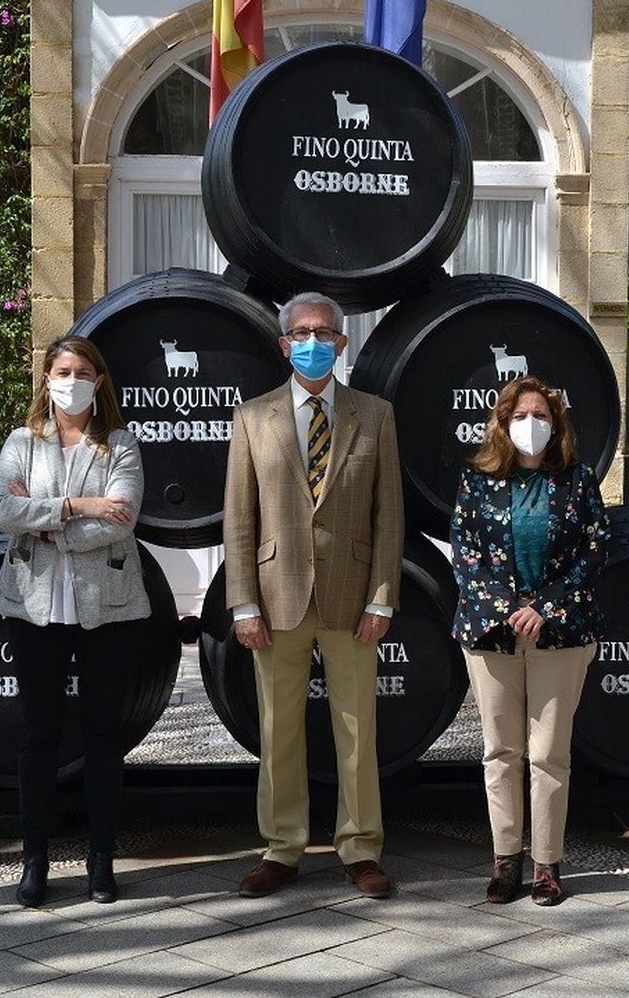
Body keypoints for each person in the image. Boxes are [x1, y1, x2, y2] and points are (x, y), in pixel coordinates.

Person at [223, 291, 404, 899]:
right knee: (279, 731)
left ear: (343, 343)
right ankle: (281, 848)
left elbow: (389, 517)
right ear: (283, 343)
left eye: (325, 332)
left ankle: (361, 848)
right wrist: (242, 603)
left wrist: (382, 598)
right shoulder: (252, 418)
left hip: (354, 598)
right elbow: (239, 519)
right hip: (275, 600)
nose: (313, 341)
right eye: (302, 332)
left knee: (358, 728)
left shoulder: (375, 415)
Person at [0, 335, 150, 908]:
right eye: (63, 369)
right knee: (38, 735)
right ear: (47, 377)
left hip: (105, 605)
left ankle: (101, 857)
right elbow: (0, 512)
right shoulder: (21, 442)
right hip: (34, 605)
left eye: (83, 370)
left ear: (100, 380)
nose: (72, 378)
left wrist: (41, 519)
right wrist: (78, 507)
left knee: (105, 734)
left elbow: (122, 519)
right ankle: (35, 860)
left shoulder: (121, 444)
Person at [450, 377, 607, 906]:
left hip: (559, 634)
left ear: (556, 422)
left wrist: (544, 606)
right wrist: (509, 607)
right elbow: (465, 553)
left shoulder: (578, 479)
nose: (531, 425)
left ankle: (547, 864)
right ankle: (504, 862)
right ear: (502, 422)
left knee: (549, 755)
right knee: (501, 752)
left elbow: (594, 549)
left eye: (541, 415)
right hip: (492, 635)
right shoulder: (476, 481)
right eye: (520, 416)